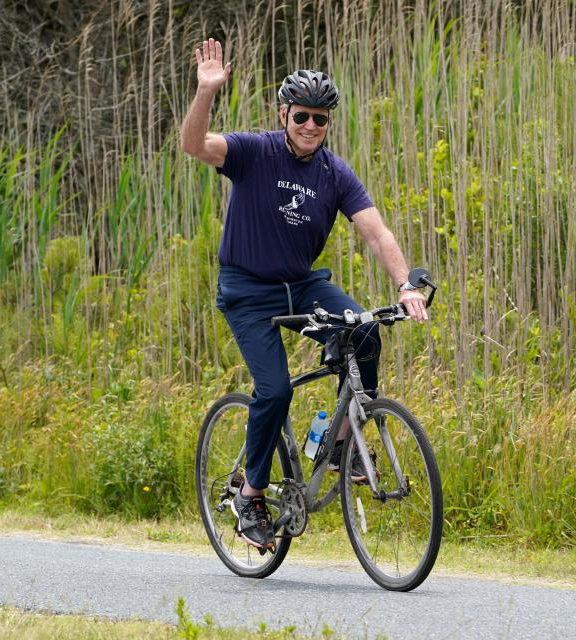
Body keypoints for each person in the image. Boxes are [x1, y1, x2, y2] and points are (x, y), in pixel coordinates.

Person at [180, 39, 427, 551]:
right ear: (283, 114)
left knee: (365, 330)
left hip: (303, 283)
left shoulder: (335, 174)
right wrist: (206, 92)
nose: (311, 126)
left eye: (320, 118)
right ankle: (250, 494)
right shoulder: (254, 152)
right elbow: (194, 145)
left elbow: (377, 233)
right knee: (274, 391)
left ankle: (342, 446)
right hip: (248, 290)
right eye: (301, 117)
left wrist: (404, 284)